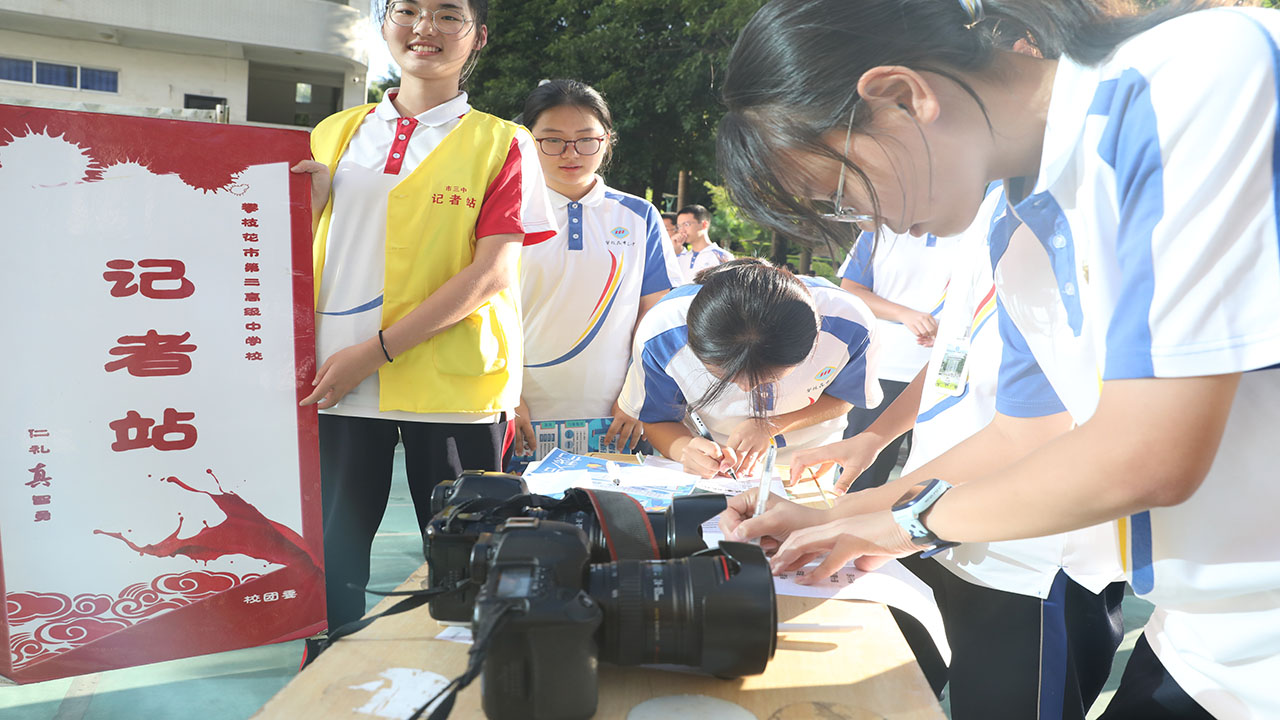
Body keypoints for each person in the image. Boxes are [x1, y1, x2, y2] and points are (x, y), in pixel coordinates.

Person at [715, 1, 1280, 718]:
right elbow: (1022, 433)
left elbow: (1150, 451)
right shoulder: (1014, 226)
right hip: (1206, 641)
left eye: (841, 192)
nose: (872, 222)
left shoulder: (1197, 76)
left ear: (901, 96)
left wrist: (907, 525)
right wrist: (835, 514)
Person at [798, 186, 1127, 719]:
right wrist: (874, 438)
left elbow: (1029, 434)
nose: (887, 222)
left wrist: (862, 512)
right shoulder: (991, 205)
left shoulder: (1067, 210)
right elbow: (956, 349)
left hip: (1028, 558)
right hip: (939, 528)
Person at [289, 0, 556, 635]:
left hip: (451, 390)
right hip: (338, 383)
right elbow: (289, 250)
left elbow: (492, 273)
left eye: (447, 14)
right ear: (383, 24)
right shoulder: (333, 132)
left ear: (477, 36)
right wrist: (308, 208)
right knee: (331, 563)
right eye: (407, 9)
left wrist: (374, 352)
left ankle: (460, 673)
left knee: (467, 562)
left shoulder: (504, 142)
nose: (424, 27)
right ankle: (327, 675)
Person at [514, 79, 683, 455]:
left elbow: (656, 316)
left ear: (607, 140)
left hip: (617, 419)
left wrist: (639, 396)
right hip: (518, 415)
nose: (570, 153)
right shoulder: (505, 212)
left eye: (586, 139)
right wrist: (506, 396)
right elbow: (482, 315)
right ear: (528, 141)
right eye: (553, 140)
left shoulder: (638, 216)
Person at [617, 258, 882, 477]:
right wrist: (684, 450)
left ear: (813, 344)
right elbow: (657, 418)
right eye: (725, 376)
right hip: (713, 467)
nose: (746, 388)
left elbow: (846, 396)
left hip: (807, 462)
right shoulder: (662, 332)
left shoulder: (850, 323)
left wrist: (771, 425)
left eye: (768, 377)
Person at [835, 227, 953, 493]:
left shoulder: (980, 224)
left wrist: (952, 331)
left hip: (945, 375)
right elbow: (851, 289)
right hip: (883, 369)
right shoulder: (877, 229)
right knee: (859, 481)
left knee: (931, 486)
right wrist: (904, 314)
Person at [675, 204, 734, 279]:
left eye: (686, 224)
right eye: (679, 226)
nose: (682, 230)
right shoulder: (680, 258)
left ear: (704, 224)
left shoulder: (722, 257)